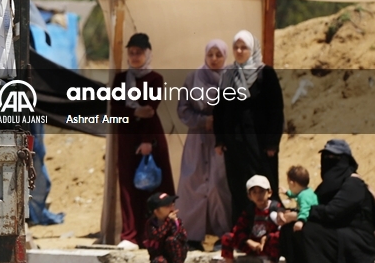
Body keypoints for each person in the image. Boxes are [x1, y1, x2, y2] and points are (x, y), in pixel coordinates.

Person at [278, 140, 375, 263]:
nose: (329, 162)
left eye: (334, 158)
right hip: (334, 229)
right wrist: (291, 215)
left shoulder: (353, 184)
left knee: (309, 231)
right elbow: (316, 209)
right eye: (327, 157)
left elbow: (333, 212)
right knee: (290, 229)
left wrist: (299, 215)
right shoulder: (327, 186)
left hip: (356, 238)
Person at [113, 33, 176, 249]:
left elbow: (150, 109)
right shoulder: (121, 79)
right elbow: (116, 108)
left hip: (150, 137)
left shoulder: (155, 78)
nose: (135, 57)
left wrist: (148, 141)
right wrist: (135, 111)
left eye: (139, 52)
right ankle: (130, 235)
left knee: (154, 185)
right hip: (127, 138)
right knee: (129, 185)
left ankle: (158, 233)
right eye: (131, 53)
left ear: (147, 53)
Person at [213, 29, 283, 223]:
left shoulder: (265, 74)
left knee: (263, 183)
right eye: (236, 47)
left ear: (252, 49)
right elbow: (219, 109)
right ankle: (241, 233)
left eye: (244, 47)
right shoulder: (228, 74)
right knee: (237, 185)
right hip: (234, 142)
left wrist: (272, 142)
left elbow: (276, 110)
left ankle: (270, 233)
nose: (240, 50)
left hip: (260, 142)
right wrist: (220, 139)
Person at [176, 39, 232, 245]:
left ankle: (223, 233)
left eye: (219, 55)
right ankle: (191, 236)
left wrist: (221, 122)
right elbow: (183, 109)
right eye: (211, 54)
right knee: (193, 184)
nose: (214, 59)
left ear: (225, 56)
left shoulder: (232, 79)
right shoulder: (193, 78)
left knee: (219, 185)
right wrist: (203, 120)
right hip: (197, 140)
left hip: (221, 140)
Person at [217, 175, 281, 263]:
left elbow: (283, 230)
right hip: (252, 246)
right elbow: (238, 229)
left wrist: (267, 238)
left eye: (261, 191)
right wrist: (248, 242)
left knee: (277, 239)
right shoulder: (250, 210)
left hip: (268, 247)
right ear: (249, 196)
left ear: (269, 193)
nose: (258, 195)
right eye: (254, 192)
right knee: (227, 237)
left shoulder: (276, 208)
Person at [135, 192, 193, 263]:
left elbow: (181, 237)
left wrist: (173, 223)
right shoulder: (151, 224)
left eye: (172, 204)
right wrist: (168, 222)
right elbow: (157, 236)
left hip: (176, 256)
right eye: (167, 206)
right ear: (156, 211)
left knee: (171, 240)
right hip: (161, 256)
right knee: (158, 261)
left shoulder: (177, 222)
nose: (171, 207)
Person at [283, 165, 318, 232]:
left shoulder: (303, 196)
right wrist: (287, 193)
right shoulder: (306, 190)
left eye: (288, 184)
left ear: (292, 183)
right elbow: (295, 194)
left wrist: (300, 221)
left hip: (309, 221)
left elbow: (305, 209)